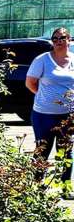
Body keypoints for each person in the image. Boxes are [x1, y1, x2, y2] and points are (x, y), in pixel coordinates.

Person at [26, 27, 74, 175]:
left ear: (69, 40)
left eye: (62, 38)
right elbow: (30, 83)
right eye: (55, 38)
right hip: (43, 115)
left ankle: (65, 184)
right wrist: (45, 96)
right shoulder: (42, 60)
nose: (58, 41)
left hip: (67, 116)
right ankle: (37, 184)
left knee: (65, 152)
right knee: (42, 151)